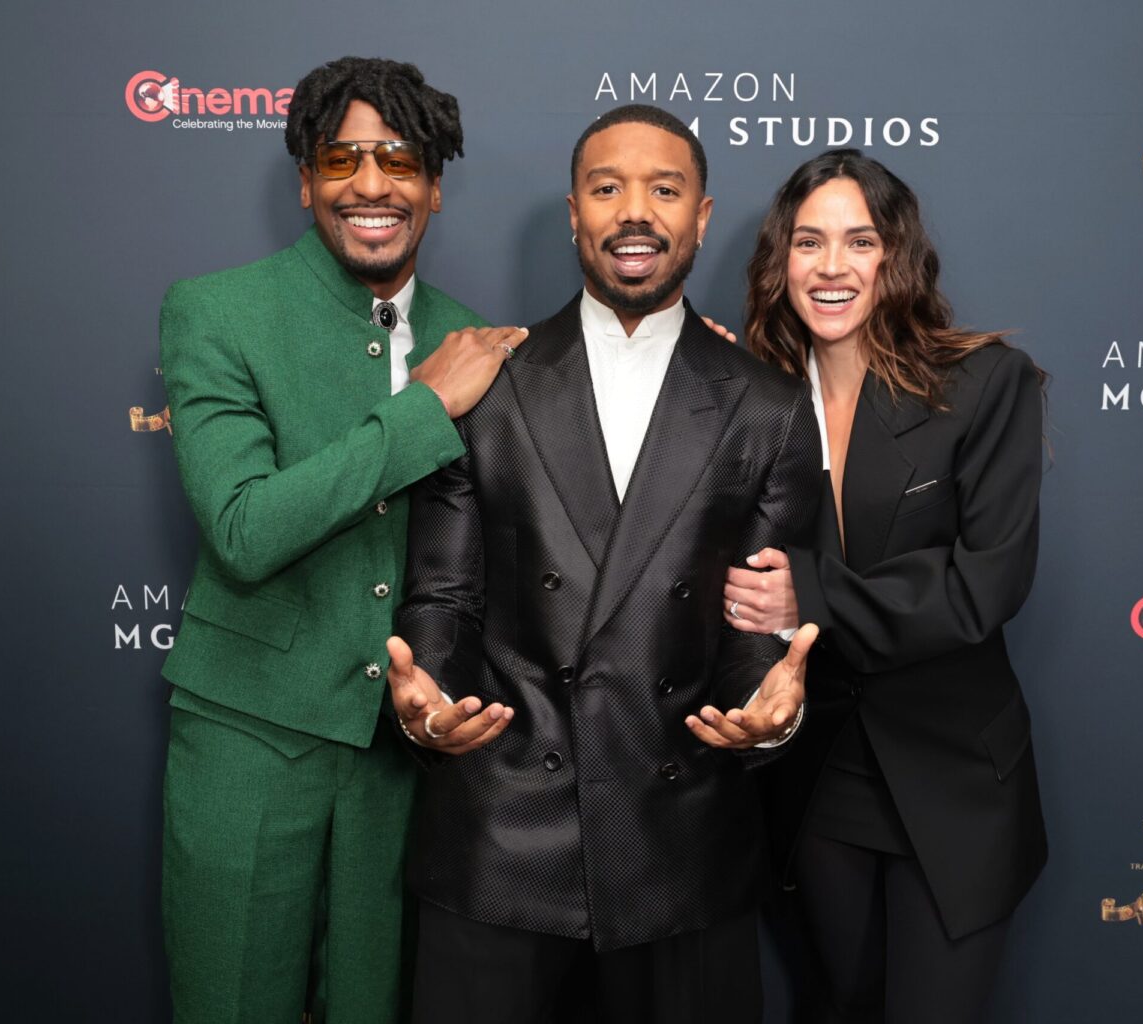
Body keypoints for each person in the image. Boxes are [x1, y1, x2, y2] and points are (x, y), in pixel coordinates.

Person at [385, 104, 823, 1024]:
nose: (636, 211)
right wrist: (429, 697)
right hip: (501, 831)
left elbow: (759, 621)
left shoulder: (768, 403)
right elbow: (445, 591)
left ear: (701, 217)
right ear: (573, 214)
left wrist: (766, 716)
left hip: (682, 843)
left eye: (665, 190)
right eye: (607, 187)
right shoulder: (485, 381)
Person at [158, 56, 526, 1023]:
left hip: (401, 759)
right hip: (249, 737)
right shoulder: (217, 311)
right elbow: (242, 528)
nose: (371, 184)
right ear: (307, 183)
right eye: (342, 158)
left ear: (434, 189)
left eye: (399, 159)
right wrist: (424, 408)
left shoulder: (472, 339)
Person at [726, 149, 1047, 1024]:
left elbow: (984, 585)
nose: (832, 267)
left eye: (859, 242)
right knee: (840, 1006)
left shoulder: (984, 386)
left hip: (952, 782)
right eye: (808, 243)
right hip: (818, 779)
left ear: (895, 257)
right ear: (778, 263)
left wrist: (812, 599)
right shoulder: (752, 402)